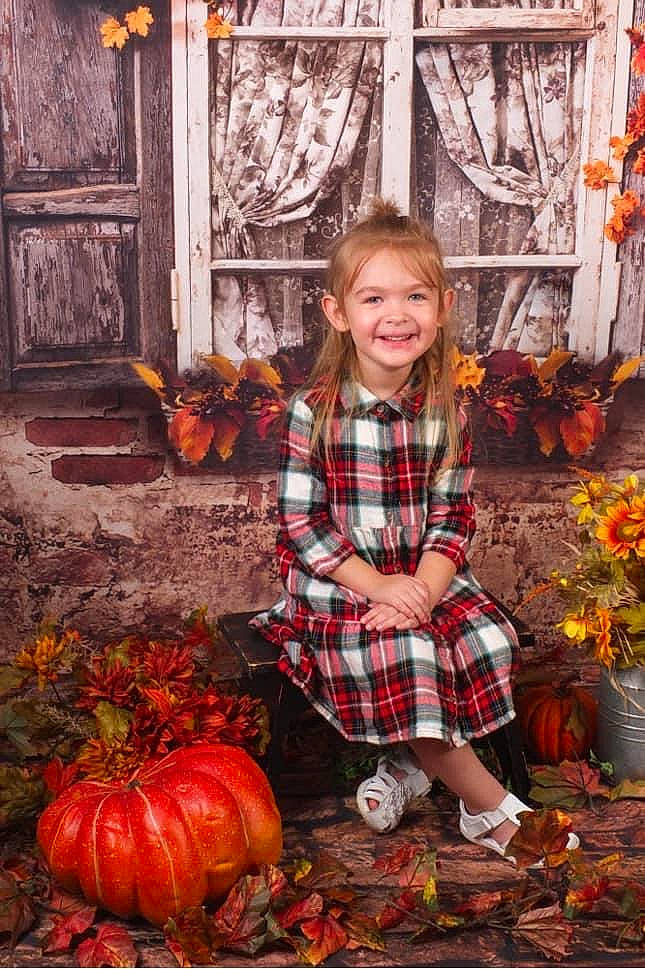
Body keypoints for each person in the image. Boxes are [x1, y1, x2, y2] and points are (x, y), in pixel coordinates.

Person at [251, 199, 578, 862]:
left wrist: (424, 589)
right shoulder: (312, 411)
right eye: (373, 298)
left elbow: (452, 514)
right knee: (413, 657)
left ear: (443, 305)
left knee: (487, 638)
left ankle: (417, 769)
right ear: (338, 314)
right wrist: (376, 587)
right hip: (339, 582)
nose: (395, 315)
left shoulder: (445, 409)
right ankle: (498, 813)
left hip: (422, 575)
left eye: (414, 296)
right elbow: (300, 525)